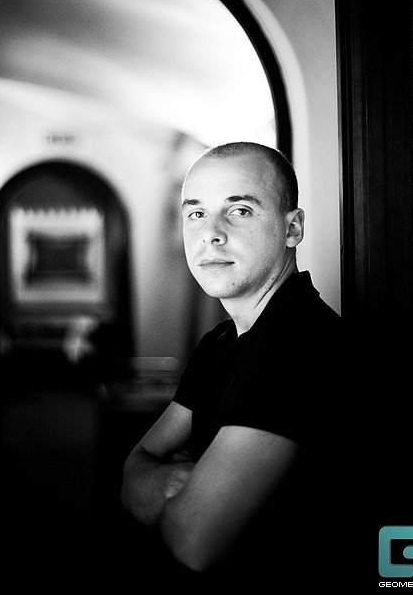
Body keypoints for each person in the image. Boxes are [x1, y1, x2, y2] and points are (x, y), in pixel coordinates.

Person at [120, 141, 349, 586]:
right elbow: (134, 465)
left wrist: (170, 481)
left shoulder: (299, 345)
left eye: (240, 210)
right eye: (196, 213)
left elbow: (194, 539)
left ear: (293, 228)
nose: (211, 233)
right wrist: (178, 484)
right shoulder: (220, 342)